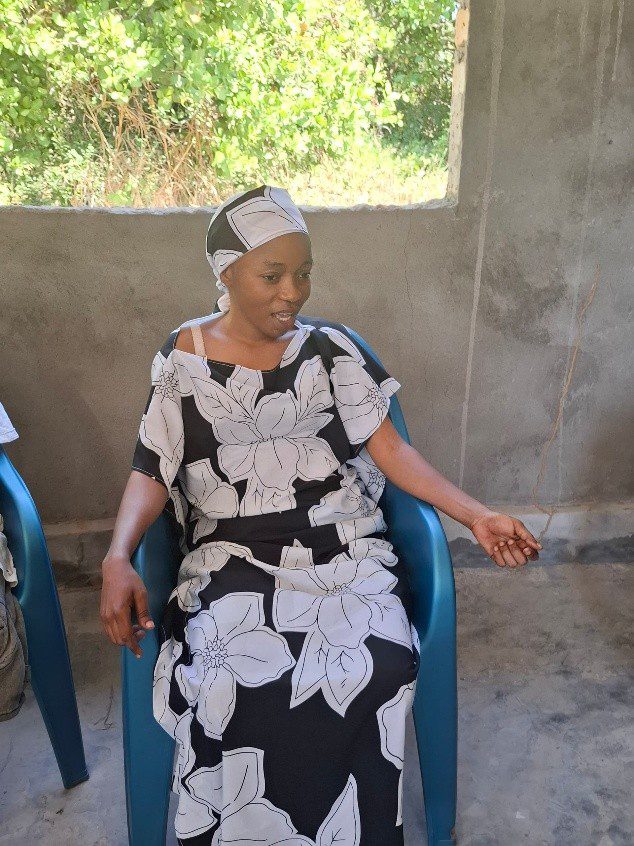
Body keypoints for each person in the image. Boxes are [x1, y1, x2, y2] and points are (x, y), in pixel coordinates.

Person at [100, 184, 542, 845]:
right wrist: (114, 557)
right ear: (225, 274)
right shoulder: (181, 359)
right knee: (223, 671)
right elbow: (151, 469)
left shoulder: (333, 351)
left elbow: (394, 454)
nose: (292, 292)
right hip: (232, 559)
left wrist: (475, 515)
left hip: (346, 552)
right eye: (271, 274)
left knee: (378, 659)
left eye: (303, 273)